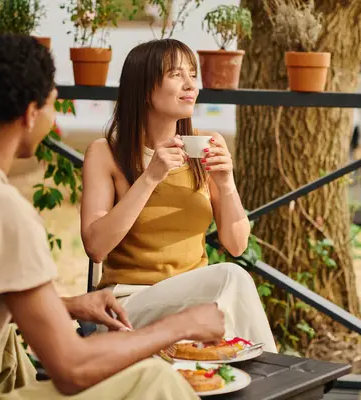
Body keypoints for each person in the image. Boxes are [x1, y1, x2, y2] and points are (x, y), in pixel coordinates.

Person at [0, 34, 226, 400]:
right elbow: (72, 368)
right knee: (153, 378)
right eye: (52, 106)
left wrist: (68, 306)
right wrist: (180, 325)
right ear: (31, 114)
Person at [80, 38, 277, 352]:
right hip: (130, 304)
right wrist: (150, 177)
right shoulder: (106, 153)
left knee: (229, 281)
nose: (191, 86)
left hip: (196, 301)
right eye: (176, 75)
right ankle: (273, 374)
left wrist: (226, 183)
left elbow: (237, 244)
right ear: (144, 88)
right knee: (230, 277)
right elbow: (96, 247)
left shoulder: (205, 145)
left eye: (193, 75)